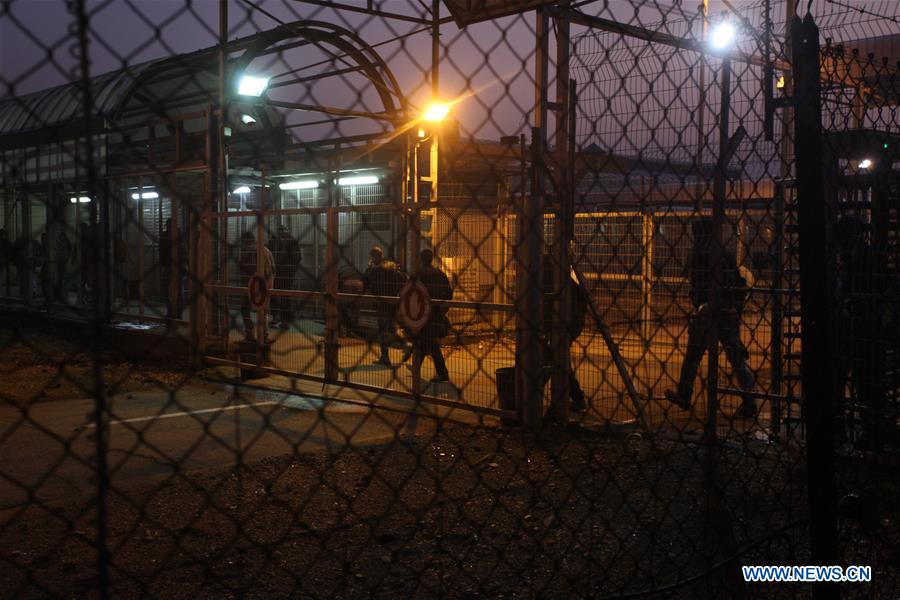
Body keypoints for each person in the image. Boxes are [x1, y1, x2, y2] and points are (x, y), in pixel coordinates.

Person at [665, 218, 757, 418]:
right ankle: (750, 402)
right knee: (736, 358)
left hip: (707, 312)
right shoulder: (725, 253)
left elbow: (698, 285)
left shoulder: (698, 253)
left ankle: (684, 394)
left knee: (693, 356)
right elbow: (735, 282)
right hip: (727, 313)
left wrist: (701, 304)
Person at [542, 254, 589, 412]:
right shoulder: (564, 279)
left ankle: (535, 398)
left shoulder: (548, 276)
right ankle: (575, 397)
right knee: (556, 358)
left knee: (552, 357)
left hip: (566, 323)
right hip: (570, 322)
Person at [363, 246, 406, 366]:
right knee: (392, 326)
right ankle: (406, 344)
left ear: (373, 257)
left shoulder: (375, 270)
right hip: (392, 301)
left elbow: (365, 281)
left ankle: (385, 356)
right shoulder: (392, 266)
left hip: (380, 303)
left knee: (383, 330)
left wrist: (368, 267)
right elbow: (403, 279)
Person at [415, 248, 453, 383]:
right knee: (428, 342)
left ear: (420, 259)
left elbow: (412, 294)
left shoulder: (418, 274)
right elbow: (449, 293)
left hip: (422, 314)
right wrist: (443, 310)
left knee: (426, 342)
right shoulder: (440, 274)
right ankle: (421, 369)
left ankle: (441, 373)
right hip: (436, 313)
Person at [238, 230, 275, 342]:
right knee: (263, 310)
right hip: (267, 284)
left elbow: (247, 269)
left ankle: (250, 333)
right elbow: (273, 268)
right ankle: (264, 334)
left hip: (253, 284)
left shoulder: (249, 251)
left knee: (244, 308)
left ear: (246, 241)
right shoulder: (266, 250)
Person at [267, 224, 302, 329]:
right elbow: (297, 258)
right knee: (286, 295)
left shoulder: (272, 241)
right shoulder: (292, 240)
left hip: (275, 272)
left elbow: (269, 256)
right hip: (288, 273)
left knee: (273, 294)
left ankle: (274, 317)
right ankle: (285, 320)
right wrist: (293, 270)